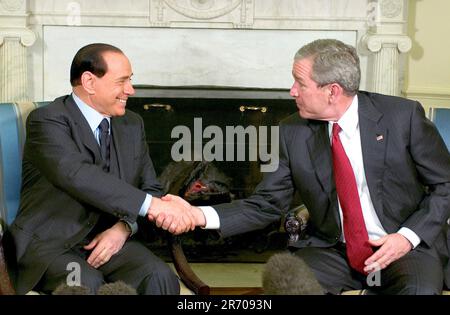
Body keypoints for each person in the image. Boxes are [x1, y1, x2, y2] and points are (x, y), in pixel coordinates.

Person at [165, 39, 450, 294]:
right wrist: (197, 214)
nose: (292, 91)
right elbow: (267, 204)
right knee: (287, 284)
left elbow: (445, 184)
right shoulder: (293, 131)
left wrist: (406, 237)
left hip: (404, 248)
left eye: (300, 83)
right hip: (333, 250)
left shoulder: (402, 117)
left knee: (419, 291)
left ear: (332, 92)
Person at [7, 43, 195, 295]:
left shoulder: (131, 124)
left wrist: (124, 228)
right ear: (89, 81)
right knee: (84, 282)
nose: (131, 90)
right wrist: (153, 206)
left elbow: (150, 187)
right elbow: (76, 174)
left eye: (131, 80)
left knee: (159, 277)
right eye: (122, 81)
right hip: (51, 243)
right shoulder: (48, 120)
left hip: (111, 238)